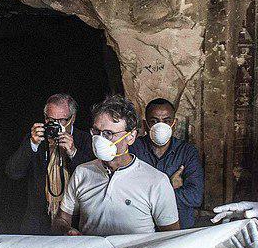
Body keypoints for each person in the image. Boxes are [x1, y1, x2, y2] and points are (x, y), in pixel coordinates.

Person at [52, 95, 179, 236]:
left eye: (108, 133)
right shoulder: (82, 172)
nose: (99, 139)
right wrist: (67, 230)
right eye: (96, 132)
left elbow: (172, 237)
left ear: (131, 137)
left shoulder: (156, 181)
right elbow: (61, 219)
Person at [5, 93, 92, 234]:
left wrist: (73, 153)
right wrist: (32, 144)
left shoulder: (85, 140)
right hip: (39, 223)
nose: (55, 125)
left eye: (61, 120)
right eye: (50, 120)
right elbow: (13, 172)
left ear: (73, 118)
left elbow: (93, 180)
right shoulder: (36, 139)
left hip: (75, 221)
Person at [130, 98, 203, 228]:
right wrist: (169, 187)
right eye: (154, 121)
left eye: (167, 121)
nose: (161, 126)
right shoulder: (133, 149)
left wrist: (148, 196)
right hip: (143, 229)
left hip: (179, 228)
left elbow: (195, 196)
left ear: (174, 124)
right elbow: (125, 193)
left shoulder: (187, 152)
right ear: (145, 125)